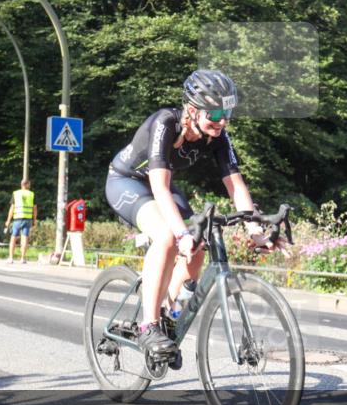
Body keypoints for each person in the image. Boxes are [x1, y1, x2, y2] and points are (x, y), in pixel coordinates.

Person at [105, 69, 282, 361]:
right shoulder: (166, 122)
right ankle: (149, 324)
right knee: (166, 237)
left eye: (227, 113)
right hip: (127, 182)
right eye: (214, 114)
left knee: (198, 247)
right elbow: (159, 186)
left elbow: (236, 186)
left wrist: (254, 231)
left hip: (160, 184)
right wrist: (180, 233)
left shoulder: (218, 137)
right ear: (192, 109)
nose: (222, 120)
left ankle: (168, 313)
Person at [4, 179, 37, 264]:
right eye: (29, 184)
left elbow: (12, 208)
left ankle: (11, 258)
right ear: (27, 184)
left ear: (21, 184)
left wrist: (8, 220)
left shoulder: (16, 193)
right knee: (25, 238)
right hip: (27, 219)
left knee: (13, 237)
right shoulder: (31, 194)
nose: (30, 185)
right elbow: (35, 208)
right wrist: (34, 220)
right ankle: (22, 258)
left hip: (17, 219)